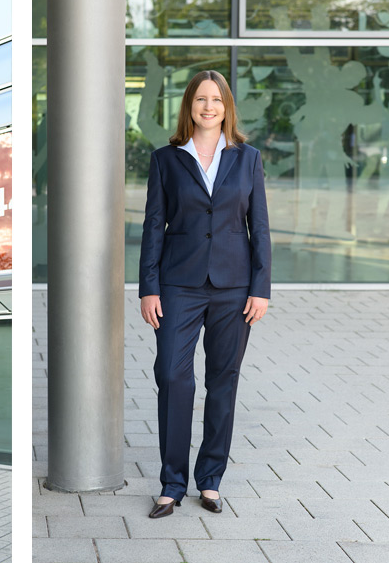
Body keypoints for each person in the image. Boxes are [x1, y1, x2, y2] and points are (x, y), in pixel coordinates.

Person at [139, 70, 271, 518]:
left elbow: (261, 229)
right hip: (178, 284)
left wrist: (261, 287)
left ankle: (210, 480)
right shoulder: (166, 159)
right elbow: (154, 226)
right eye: (200, 99)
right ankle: (171, 483)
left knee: (222, 382)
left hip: (234, 287)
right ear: (189, 106)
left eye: (216, 99)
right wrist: (148, 288)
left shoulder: (248, 158)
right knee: (173, 378)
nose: (209, 106)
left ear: (226, 106)